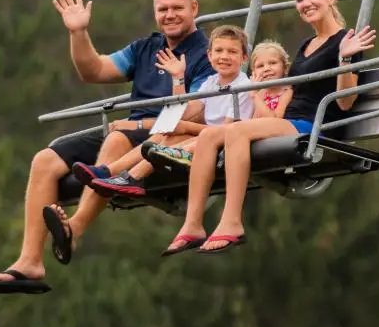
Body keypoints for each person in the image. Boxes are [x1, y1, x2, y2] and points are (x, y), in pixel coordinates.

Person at [0, 0, 211, 295]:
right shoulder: (146, 48)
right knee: (45, 160)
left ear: (194, 8)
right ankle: (29, 262)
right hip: (133, 127)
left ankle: (74, 228)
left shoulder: (209, 53)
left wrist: (133, 128)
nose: (170, 14)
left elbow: (194, 113)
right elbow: (94, 70)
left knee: (117, 138)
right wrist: (78, 33)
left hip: (168, 134)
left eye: (177, 8)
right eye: (163, 9)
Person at [162, 0, 376, 257]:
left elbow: (347, 102)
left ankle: (232, 222)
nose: (306, 3)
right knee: (211, 135)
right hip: (289, 119)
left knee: (237, 131)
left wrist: (345, 59)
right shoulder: (306, 45)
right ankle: (193, 224)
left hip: (314, 126)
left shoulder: (346, 41)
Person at [77, 24, 255, 197]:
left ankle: (134, 177)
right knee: (166, 134)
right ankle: (110, 171)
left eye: (232, 52)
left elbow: (229, 132)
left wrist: (186, 127)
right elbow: (184, 113)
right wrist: (178, 78)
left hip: (225, 141)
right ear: (209, 55)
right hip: (207, 136)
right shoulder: (211, 82)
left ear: (244, 58)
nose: (224, 57)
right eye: (219, 51)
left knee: (172, 138)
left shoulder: (242, 87)